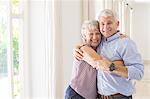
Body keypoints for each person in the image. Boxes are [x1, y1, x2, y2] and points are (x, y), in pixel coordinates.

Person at [74, 9, 144, 99]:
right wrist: (77, 47)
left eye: (109, 23)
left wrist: (112, 67)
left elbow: (139, 73)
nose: (105, 27)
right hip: (99, 96)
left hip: (119, 97)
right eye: (102, 24)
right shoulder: (99, 41)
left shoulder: (126, 43)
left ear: (117, 24)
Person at [65, 20, 124, 99]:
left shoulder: (100, 50)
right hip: (77, 94)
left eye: (97, 33)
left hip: (91, 96)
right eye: (91, 34)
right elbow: (100, 63)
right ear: (85, 37)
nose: (95, 37)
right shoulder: (83, 49)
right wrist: (119, 63)